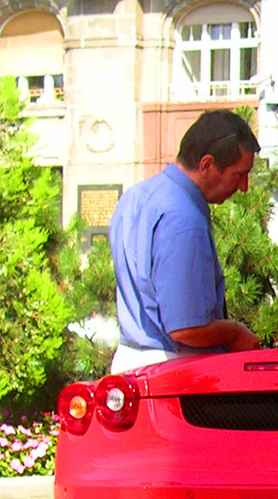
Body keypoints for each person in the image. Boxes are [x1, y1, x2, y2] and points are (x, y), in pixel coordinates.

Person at [110, 110, 262, 371]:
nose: (244, 187)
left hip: (130, 359)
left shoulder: (135, 196)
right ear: (206, 165)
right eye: (239, 174)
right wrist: (235, 332)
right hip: (173, 370)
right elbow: (187, 328)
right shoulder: (183, 218)